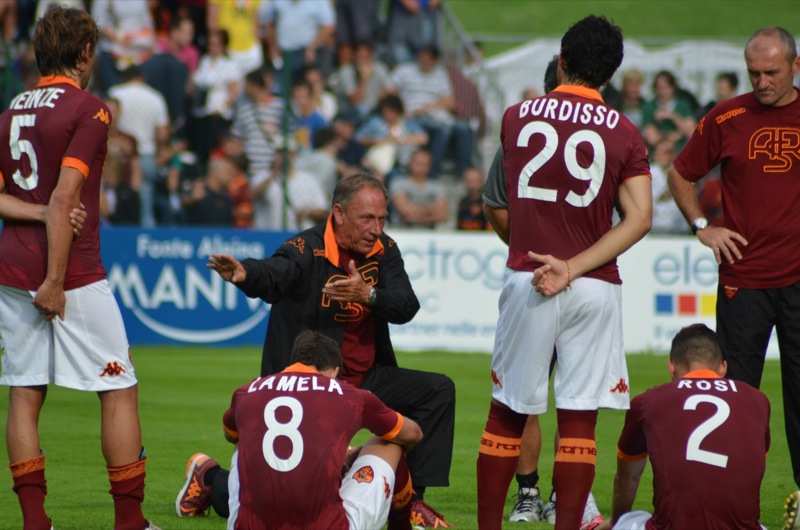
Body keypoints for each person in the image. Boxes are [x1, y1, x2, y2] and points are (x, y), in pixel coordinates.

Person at [177, 173, 456, 528]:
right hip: (314, 388)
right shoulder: (306, 248)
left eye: (382, 219)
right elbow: (277, 272)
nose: (376, 228)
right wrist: (247, 274)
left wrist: (369, 296)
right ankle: (210, 478)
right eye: (367, 219)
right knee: (293, 480)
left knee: (438, 390)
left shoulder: (384, 250)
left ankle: (413, 501)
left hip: (366, 379)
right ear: (338, 213)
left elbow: (406, 305)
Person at [476, 15, 652, 530]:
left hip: (528, 278)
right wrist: (573, 265)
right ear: (610, 75)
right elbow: (639, 218)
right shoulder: (624, 131)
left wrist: (538, 252)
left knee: (507, 412)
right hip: (593, 285)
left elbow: (498, 204)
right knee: (579, 420)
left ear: (561, 60)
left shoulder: (516, 117)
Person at [0, 7, 157, 530]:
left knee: (24, 391)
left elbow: (13, 199)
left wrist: (39, 210)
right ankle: (131, 522)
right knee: (118, 387)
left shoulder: (12, 110)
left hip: (11, 267)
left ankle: (34, 522)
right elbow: (67, 196)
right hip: (70, 272)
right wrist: (54, 281)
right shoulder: (90, 109)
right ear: (85, 52)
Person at [666, 26, 800, 524]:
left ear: (795, 66)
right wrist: (702, 226)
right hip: (743, 278)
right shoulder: (727, 116)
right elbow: (680, 174)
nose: (762, 81)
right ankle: (735, 509)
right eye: (753, 72)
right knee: (738, 400)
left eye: (771, 71)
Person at [219, 329, 423, 529]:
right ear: (335, 370)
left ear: (291, 364)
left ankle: (208, 472)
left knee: (242, 441)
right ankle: (402, 526)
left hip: (246, 524)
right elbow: (413, 434)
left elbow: (230, 434)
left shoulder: (247, 390)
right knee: (390, 441)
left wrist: (333, 456)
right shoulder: (350, 395)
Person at [596, 324, 770, 530]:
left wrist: (617, 521)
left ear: (671, 366)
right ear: (722, 367)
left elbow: (628, 479)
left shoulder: (647, 401)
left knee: (630, 519)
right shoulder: (758, 400)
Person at [389, 148, 449, 229]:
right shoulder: (398, 183)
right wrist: (430, 211)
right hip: (403, 233)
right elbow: (404, 212)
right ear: (411, 163)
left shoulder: (437, 187)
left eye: (424, 164)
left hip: (429, 236)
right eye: (418, 163)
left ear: (430, 166)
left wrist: (414, 214)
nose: (421, 167)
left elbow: (443, 214)